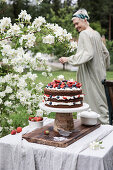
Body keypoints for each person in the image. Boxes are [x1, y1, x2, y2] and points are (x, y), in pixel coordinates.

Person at [59, 9, 110, 124]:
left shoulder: (84, 34)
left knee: (89, 103)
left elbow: (87, 54)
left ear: (85, 20)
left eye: (77, 23)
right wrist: (102, 68)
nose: (76, 27)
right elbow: (106, 53)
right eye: (74, 25)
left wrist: (68, 59)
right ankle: (107, 129)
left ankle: (90, 129)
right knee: (101, 104)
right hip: (100, 75)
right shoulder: (96, 34)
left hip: (89, 75)